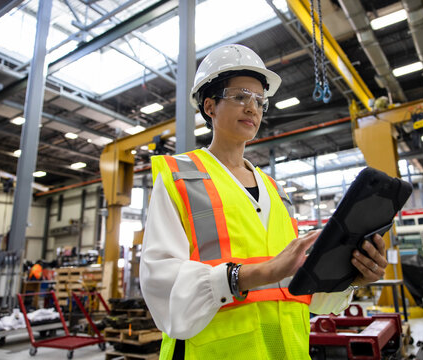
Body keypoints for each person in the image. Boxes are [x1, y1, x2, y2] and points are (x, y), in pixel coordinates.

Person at [140, 44, 388, 360]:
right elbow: (160, 284)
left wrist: (353, 276)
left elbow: (301, 290)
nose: (252, 108)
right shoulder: (180, 177)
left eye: (259, 101)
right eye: (241, 96)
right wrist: (250, 276)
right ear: (210, 106)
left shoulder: (275, 191)